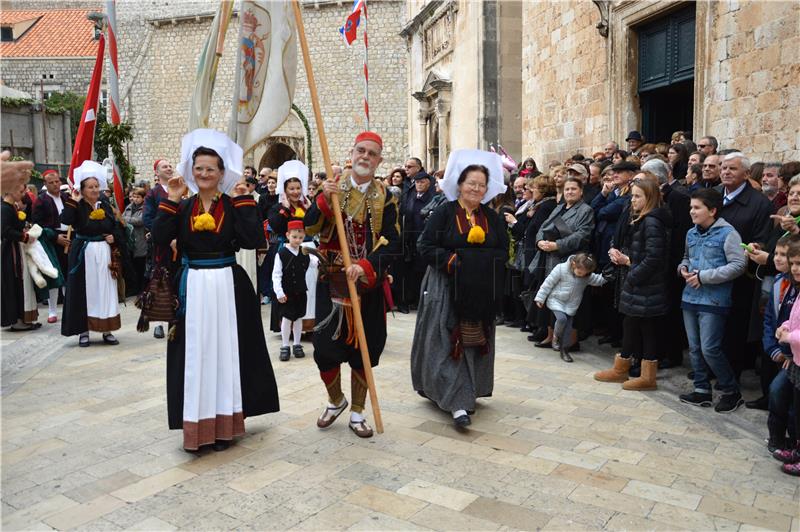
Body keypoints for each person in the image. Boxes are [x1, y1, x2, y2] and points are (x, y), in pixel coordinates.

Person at [152, 129, 279, 452]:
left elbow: (254, 241)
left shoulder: (234, 205)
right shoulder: (183, 206)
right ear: (191, 171)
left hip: (226, 284)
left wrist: (243, 199)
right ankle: (196, 426)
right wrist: (172, 197)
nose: (204, 174)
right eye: (199, 168)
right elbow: (157, 238)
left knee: (226, 351)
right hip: (193, 282)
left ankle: (225, 426)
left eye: (211, 169)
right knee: (197, 353)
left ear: (222, 173)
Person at [305, 131, 401, 439]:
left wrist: (367, 266)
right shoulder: (332, 187)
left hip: (366, 286)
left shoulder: (387, 196)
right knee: (323, 349)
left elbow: (394, 241)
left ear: (379, 160)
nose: (365, 157)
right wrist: (322, 198)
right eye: (361, 150)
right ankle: (336, 401)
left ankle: (358, 412)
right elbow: (309, 225)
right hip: (331, 282)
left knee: (366, 349)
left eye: (372, 153)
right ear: (352, 152)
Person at [410, 149, 508, 428]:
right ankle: (456, 401)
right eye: (471, 183)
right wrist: (454, 261)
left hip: (480, 288)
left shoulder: (491, 216)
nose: (476, 189)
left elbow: (503, 249)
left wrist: (481, 262)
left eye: (481, 184)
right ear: (460, 185)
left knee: (475, 339)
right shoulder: (445, 212)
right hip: (446, 285)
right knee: (448, 340)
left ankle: (469, 392)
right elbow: (425, 246)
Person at [673, 188, 748, 411]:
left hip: (714, 300)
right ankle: (702, 390)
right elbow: (686, 257)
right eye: (691, 208)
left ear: (712, 210)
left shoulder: (728, 233)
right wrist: (683, 269)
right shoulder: (691, 233)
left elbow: (738, 265)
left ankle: (731, 390)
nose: (692, 212)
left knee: (709, 348)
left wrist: (704, 277)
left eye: (697, 208)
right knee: (694, 347)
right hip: (690, 297)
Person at [594, 178, 670, 391]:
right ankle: (621, 368)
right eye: (632, 196)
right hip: (637, 282)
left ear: (650, 198)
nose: (633, 200)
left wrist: (629, 265)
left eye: (638, 196)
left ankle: (648, 376)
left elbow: (654, 258)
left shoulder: (652, 221)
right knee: (630, 324)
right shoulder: (641, 219)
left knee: (647, 329)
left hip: (645, 284)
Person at [61, 161, 124, 347]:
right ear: (83, 189)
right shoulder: (77, 205)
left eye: (97, 186)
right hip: (84, 252)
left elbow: (114, 225)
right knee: (85, 290)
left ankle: (107, 328)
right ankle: (84, 331)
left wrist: (114, 236)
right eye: (91, 187)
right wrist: (73, 199)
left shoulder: (104, 205)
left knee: (105, 288)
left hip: (104, 251)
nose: (95, 190)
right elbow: (66, 220)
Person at [530, 177, 595, 349]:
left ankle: (570, 340)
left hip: (572, 261)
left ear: (581, 191)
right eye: (567, 189)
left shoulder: (585, 210)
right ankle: (551, 335)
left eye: (574, 189)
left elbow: (582, 235)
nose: (570, 192)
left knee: (569, 300)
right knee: (552, 297)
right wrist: (540, 242)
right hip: (550, 258)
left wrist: (557, 245)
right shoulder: (558, 208)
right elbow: (542, 227)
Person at [761, 236, 797, 451]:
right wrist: (774, 349)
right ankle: (776, 438)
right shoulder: (777, 282)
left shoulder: (796, 287)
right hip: (780, 352)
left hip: (793, 354)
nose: (778, 259)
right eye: (776, 254)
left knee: (781, 393)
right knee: (779, 395)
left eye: (785, 255)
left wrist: (789, 353)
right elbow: (769, 321)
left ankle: (792, 441)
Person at [535, 253, 605, 362]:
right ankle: (556, 337)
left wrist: (608, 276)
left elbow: (598, 280)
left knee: (568, 329)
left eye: (585, 273)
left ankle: (565, 350)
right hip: (556, 300)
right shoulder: (561, 268)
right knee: (561, 319)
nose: (582, 275)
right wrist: (540, 298)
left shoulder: (586, 275)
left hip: (571, 305)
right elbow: (548, 283)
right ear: (573, 264)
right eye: (580, 272)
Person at [268, 160, 312, 333]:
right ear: (285, 190)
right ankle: (285, 325)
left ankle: (307, 324)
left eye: (298, 188)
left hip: (305, 250)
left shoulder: (306, 206)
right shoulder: (277, 207)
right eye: (291, 188)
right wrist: (285, 209)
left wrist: (311, 210)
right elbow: (276, 226)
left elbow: (314, 226)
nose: (295, 192)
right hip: (285, 251)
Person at [272, 220, 318, 361]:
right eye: (294, 237)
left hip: (301, 292)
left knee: (298, 318)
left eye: (300, 238)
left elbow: (314, 262)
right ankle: (285, 346)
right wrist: (279, 292)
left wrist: (320, 259)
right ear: (287, 235)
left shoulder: (305, 253)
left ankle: (297, 345)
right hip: (286, 294)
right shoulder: (281, 254)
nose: (297, 240)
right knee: (286, 319)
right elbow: (276, 274)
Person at [142, 159, 175, 339]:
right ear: (156, 172)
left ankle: (176, 318)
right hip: (162, 245)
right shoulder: (153, 194)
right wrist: (165, 237)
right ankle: (159, 323)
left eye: (170, 165)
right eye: (164, 166)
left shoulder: (181, 189)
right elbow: (148, 219)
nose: (169, 168)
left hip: (181, 244)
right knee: (161, 281)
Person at [2, 183, 42, 330]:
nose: (24, 192)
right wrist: (24, 237)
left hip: (17, 250)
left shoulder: (12, 207)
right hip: (12, 252)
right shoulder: (5, 209)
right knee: (16, 283)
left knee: (22, 283)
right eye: (21, 190)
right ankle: (17, 320)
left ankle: (24, 318)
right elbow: (5, 231)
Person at [775, 242, 800, 476]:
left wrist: (789, 336)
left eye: (799, 263)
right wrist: (785, 326)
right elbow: (795, 319)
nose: (795, 268)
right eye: (793, 264)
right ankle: (797, 449)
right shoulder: (797, 289)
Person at [32, 169, 70, 322]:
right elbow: (37, 224)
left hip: (70, 237)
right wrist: (55, 237)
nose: (55, 185)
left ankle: (69, 308)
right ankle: (52, 311)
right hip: (52, 241)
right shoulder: (40, 201)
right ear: (45, 184)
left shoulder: (67, 197)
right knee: (54, 275)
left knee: (69, 274)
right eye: (51, 182)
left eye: (57, 182)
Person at [400, 171, 435, 311]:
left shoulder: (432, 198)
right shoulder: (410, 196)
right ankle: (409, 299)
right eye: (417, 182)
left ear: (428, 183)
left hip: (423, 237)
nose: (419, 185)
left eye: (422, 182)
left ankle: (420, 299)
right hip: (410, 238)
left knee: (422, 270)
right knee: (409, 271)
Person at [122, 187, 148, 295]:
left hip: (141, 240)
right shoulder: (129, 207)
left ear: (143, 198)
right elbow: (122, 217)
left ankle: (141, 289)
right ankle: (134, 288)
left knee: (140, 266)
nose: (135, 199)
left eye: (138, 197)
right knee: (132, 266)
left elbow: (140, 220)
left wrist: (125, 220)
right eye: (133, 196)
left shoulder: (145, 208)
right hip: (130, 241)